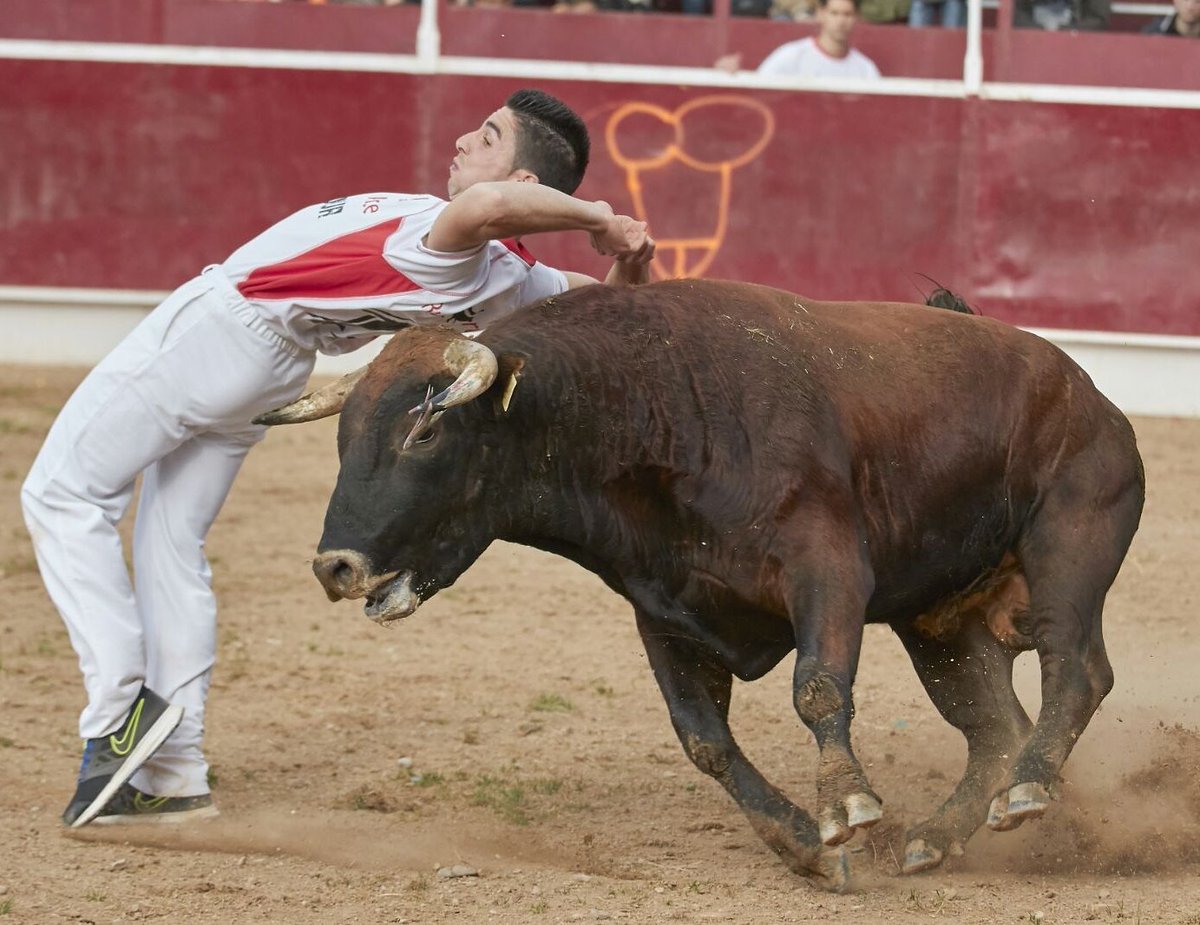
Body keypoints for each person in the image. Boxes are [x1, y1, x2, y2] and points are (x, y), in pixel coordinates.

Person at [21, 88, 655, 829]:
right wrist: (631, 254)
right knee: (170, 540)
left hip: (221, 329)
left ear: (522, 185)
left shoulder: (454, 242)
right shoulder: (510, 280)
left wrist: (605, 224)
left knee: (62, 494)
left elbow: (494, 219)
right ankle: (173, 770)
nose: (461, 140)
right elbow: (611, 308)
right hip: (271, 364)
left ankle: (120, 711)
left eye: (487, 137)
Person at [716, 0, 882, 79]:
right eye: (834, 13)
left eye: (847, 14)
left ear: (856, 18)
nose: (841, 21)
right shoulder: (792, 56)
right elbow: (760, 90)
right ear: (821, 14)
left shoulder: (865, 69)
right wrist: (729, 77)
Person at [1013, 0, 1108, 29]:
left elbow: (1099, 19)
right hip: (1030, 42)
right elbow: (1012, 14)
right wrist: (1038, 30)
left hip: (1076, 44)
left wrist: (1068, 31)